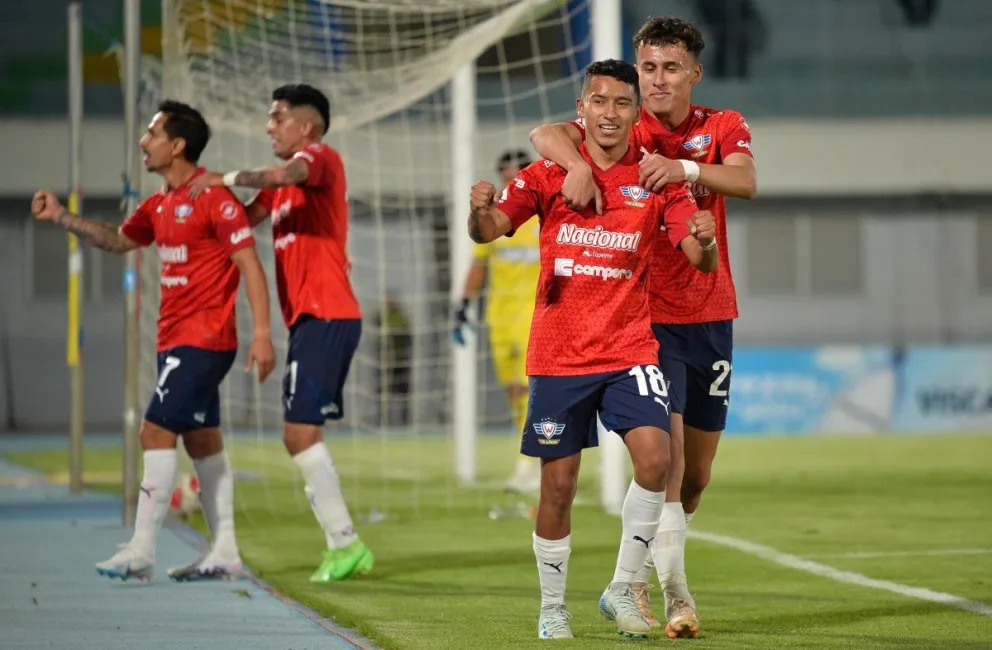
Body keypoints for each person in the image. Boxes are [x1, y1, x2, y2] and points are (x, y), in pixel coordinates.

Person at [468, 59, 718, 640]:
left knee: (657, 461)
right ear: (581, 109)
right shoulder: (548, 174)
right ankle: (553, 606)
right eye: (598, 102)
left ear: (636, 113)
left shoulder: (656, 179)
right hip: (559, 356)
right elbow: (491, 228)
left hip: (631, 347)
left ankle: (620, 585)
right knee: (558, 486)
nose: (610, 113)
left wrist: (703, 241)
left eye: (621, 103)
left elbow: (695, 255)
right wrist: (480, 210)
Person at [528, 15, 758, 638]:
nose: (656, 81)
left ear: (693, 73)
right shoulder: (624, 119)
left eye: (669, 68)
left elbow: (745, 182)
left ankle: (642, 582)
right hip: (645, 318)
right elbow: (546, 131)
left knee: (699, 475)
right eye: (648, 67)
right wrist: (574, 163)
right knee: (670, 460)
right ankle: (668, 594)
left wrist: (684, 173)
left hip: (710, 312)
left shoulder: (720, 125)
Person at [31, 100, 276, 582]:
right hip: (175, 338)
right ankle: (224, 550)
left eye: (152, 134)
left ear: (177, 145)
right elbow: (118, 240)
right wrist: (63, 216)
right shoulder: (159, 203)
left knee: (153, 432)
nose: (143, 142)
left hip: (204, 339)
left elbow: (249, 264)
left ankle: (142, 549)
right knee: (201, 440)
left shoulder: (214, 198)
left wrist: (263, 335)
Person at [189, 83, 372, 582]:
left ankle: (345, 542)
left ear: (306, 126)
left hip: (327, 315)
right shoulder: (282, 189)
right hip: (312, 321)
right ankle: (344, 543)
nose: (269, 126)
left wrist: (220, 176)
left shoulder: (318, 159)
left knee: (298, 434)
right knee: (299, 434)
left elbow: (285, 172)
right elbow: (243, 222)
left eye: (277, 118)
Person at [453, 149, 542, 493]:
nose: (510, 179)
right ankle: (529, 459)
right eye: (505, 174)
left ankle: (530, 462)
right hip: (500, 316)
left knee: (529, 388)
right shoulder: (496, 217)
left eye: (516, 173)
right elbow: (479, 264)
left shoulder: (539, 213)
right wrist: (463, 304)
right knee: (513, 390)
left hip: (535, 313)